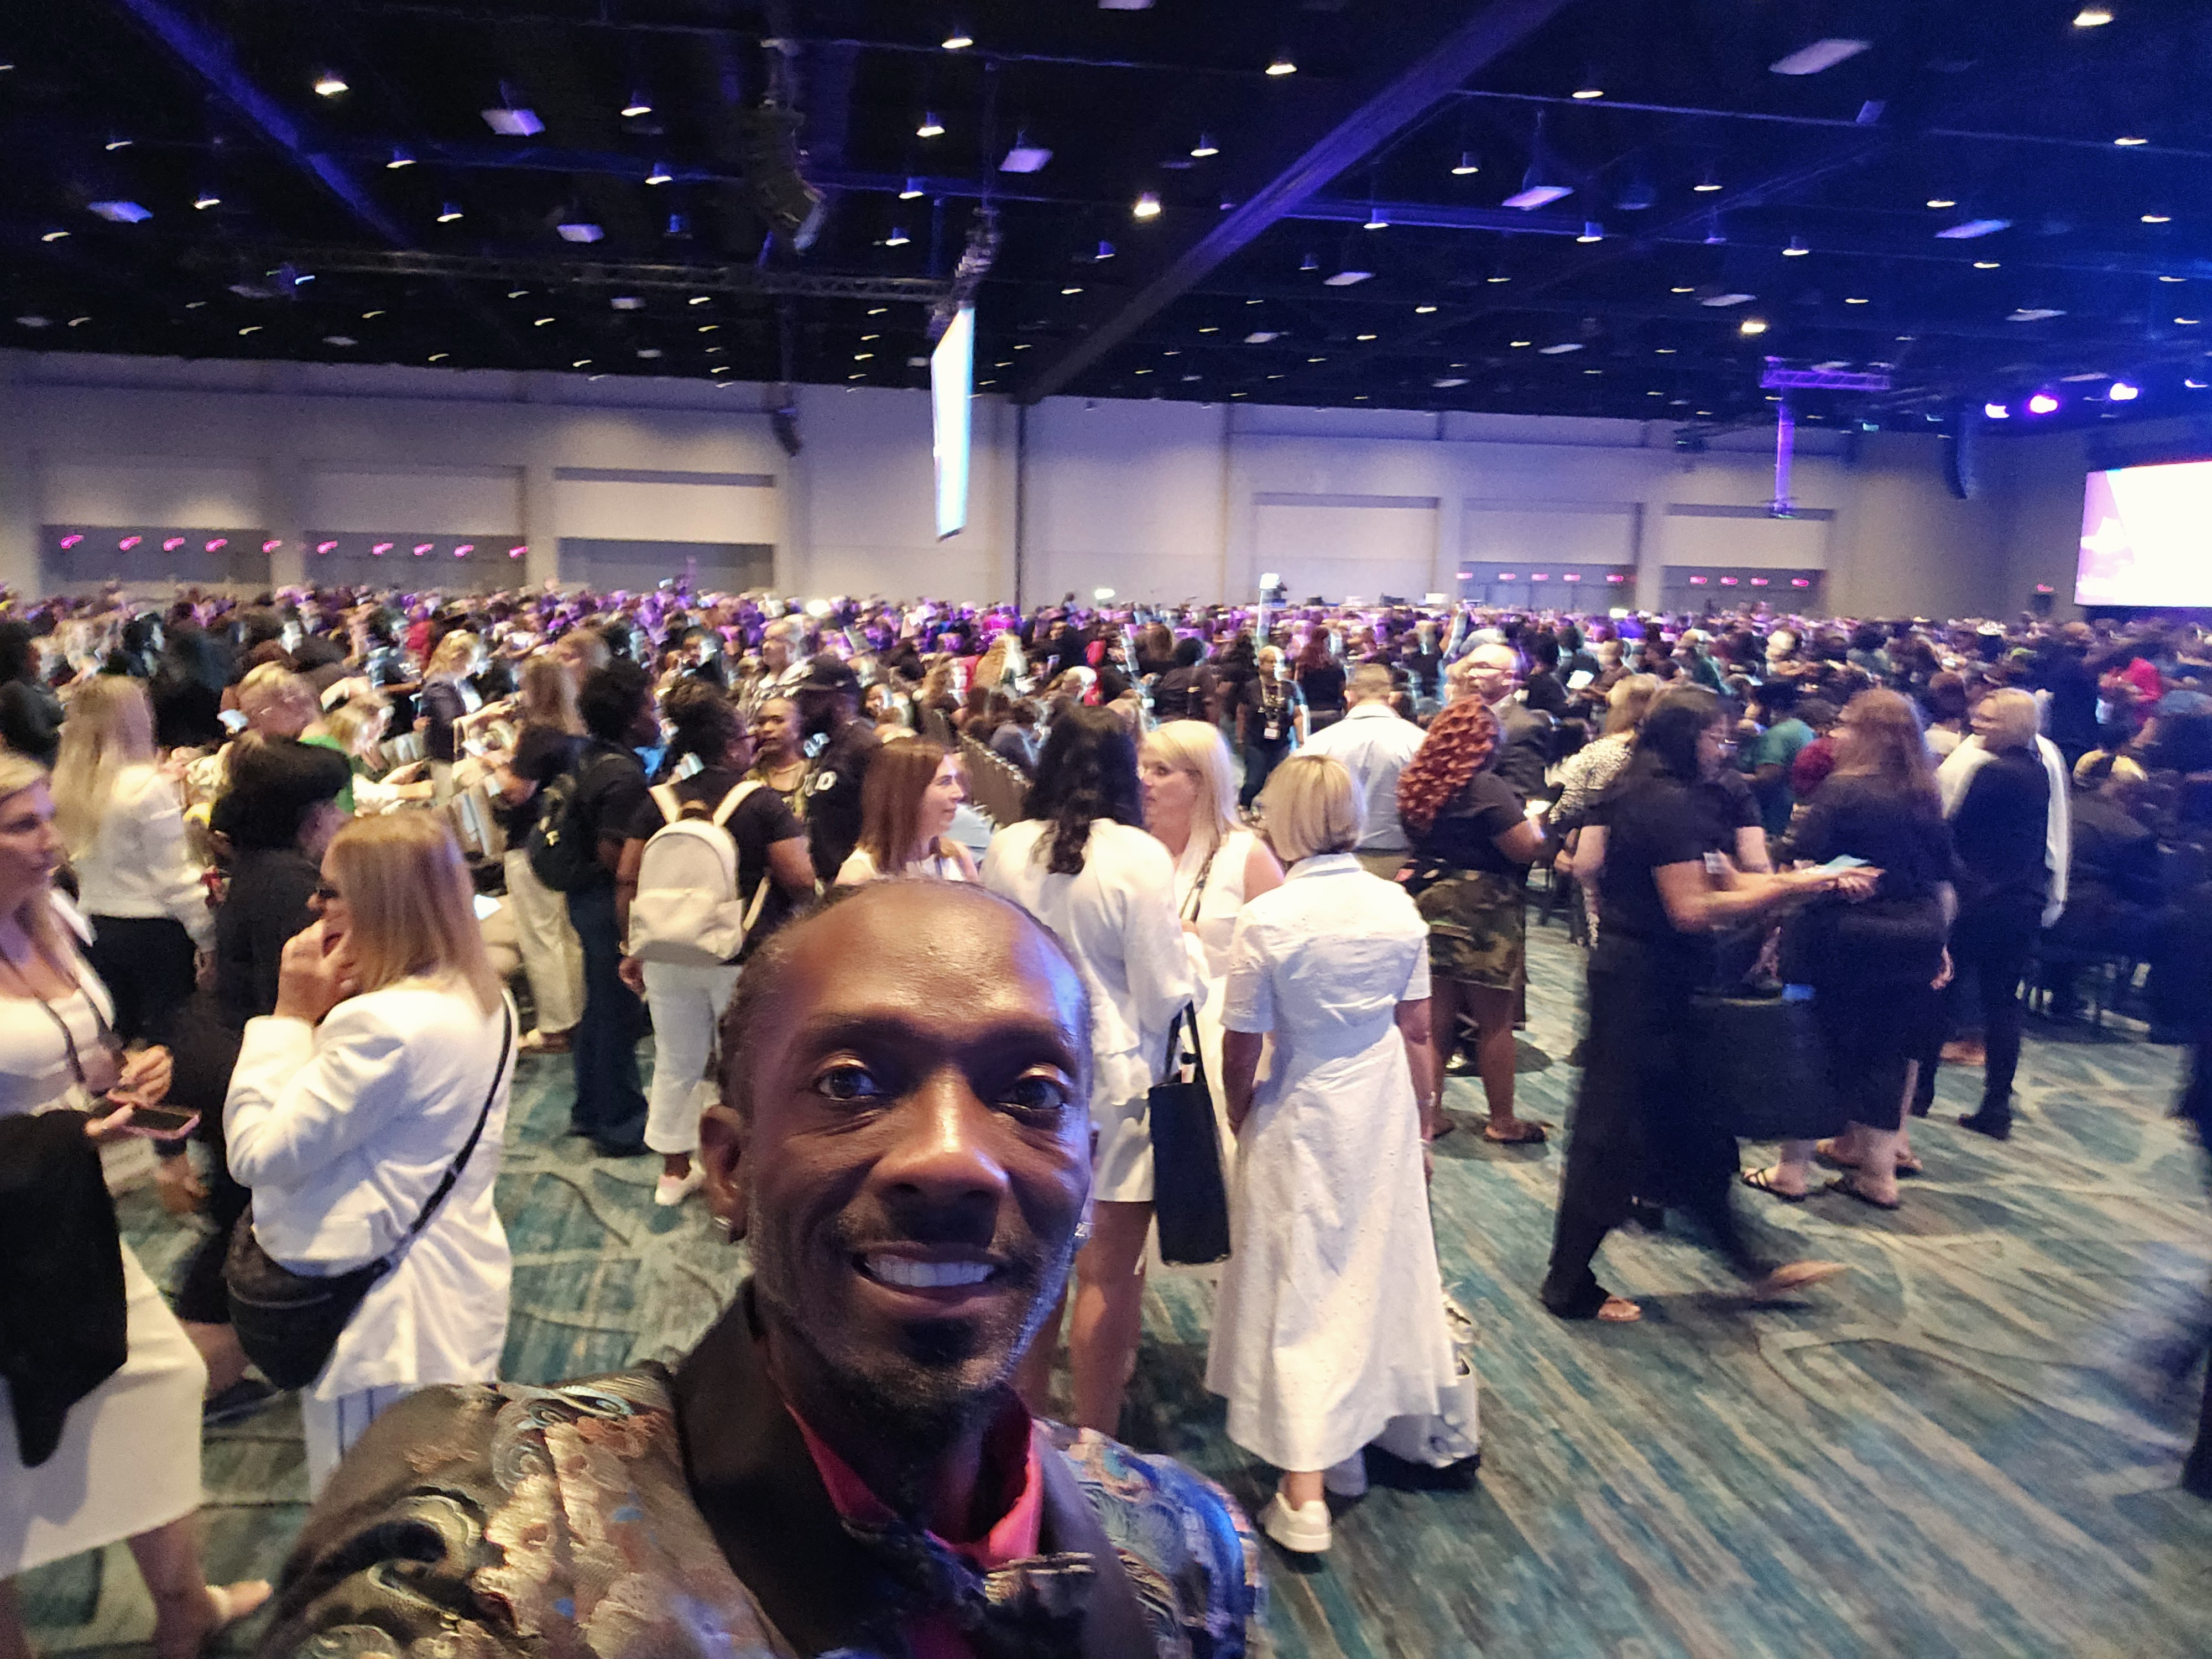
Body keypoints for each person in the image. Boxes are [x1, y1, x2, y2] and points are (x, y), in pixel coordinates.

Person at [248, 880, 1260, 1657]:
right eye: (852, 1082)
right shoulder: (482, 1543)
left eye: (1031, 1093)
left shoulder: (1186, 1543)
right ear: (727, 1164)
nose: (953, 1154)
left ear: (1086, 1173)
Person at [0, 753, 271, 1659]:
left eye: (47, 818)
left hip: (65, 1220)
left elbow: (77, 1052)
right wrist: (73, 1139)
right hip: (18, 1224)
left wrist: (127, 1073)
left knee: (161, 1380)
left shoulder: (52, 917)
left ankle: (181, 1607)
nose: (52, 843)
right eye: (22, 826)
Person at [223, 813, 516, 1494]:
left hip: (381, 1317)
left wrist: (291, 1015)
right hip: (450, 1278)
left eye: (330, 893)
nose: (314, 906)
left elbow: (257, 1152)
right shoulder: (478, 992)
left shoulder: (382, 1025)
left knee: (366, 1508)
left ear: (382, 905)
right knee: (439, 1490)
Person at [1207, 754, 1456, 1554]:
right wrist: (1423, 1127)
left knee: (1301, 1281)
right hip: (1379, 1099)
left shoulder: (1271, 919)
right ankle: (1343, 1447)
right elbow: (1419, 1031)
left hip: (1303, 1097)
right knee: (1364, 1271)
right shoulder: (1395, 906)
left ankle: (1304, 1485)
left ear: (1286, 818)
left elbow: (1242, 1044)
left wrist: (1242, 1116)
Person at [1543, 686, 1855, 1322]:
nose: (1725, 750)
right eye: (1717, 737)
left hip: (1658, 979)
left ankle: (1750, 1264)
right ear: (1686, 735)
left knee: (1691, 1128)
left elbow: (1728, 881)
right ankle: (1566, 1284)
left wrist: (1803, 885)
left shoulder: (1668, 793)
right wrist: (1795, 884)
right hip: (1641, 981)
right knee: (1613, 1134)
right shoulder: (1661, 801)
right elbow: (1692, 909)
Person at [982, 707, 1196, 1435]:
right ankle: (1096, 1448)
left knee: (1032, 1268)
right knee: (1110, 1275)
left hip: (1019, 1076)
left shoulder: (1007, 847)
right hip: (1114, 1082)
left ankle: (1026, 1434)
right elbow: (1167, 992)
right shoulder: (1139, 855)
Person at [1743, 691, 1957, 1209]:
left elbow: (1803, 866)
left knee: (1812, 1046)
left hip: (1839, 938)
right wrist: (1941, 942)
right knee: (1887, 1054)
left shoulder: (1842, 791)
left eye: (1845, 724)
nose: (1835, 733)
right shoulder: (1925, 793)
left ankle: (1792, 1170)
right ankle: (1878, 1176)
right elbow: (1945, 880)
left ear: (1872, 734)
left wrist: (1824, 884)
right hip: (1914, 938)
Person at [616, 682, 812, 1207]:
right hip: (741, 953)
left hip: (665, 953)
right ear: (731, 746)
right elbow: (798, 878)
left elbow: (627, 878)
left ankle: (674, 1173)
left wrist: (629, 946)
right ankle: (738, 1171)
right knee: (742, 1063)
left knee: (675, 1060)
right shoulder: (762, 802)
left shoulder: (658, 801)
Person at [1397, 698, 1549, 1144]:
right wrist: (1537, 822)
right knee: (1493, 1021)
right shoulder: (1485, 787)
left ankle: (1431, 1114)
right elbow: (1525, 848)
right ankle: (1502, 1120)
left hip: (1427, 901)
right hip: (1483, 908)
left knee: (1435, 1018)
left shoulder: (1418, 785)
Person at [1921, 688, 2057, 1138]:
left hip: (1981, 903)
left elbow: (1953, 834)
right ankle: (1997, 1106)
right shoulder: (2039, 770)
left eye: (1990, 720)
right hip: (2022, 903)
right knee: (2003, 1005)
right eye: (1977, 716)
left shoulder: (1994, 772)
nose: (1977, 724)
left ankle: (1919, 1095)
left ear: (2015, 726)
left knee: (1940, 993)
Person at [51, 676, 213, 1045]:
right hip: (154, 935)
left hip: (96, 928)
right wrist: (208, 937)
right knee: (168, 1048)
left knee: (118, 1041)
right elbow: (173, 879)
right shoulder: (146, 786)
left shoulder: (69, 785)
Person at [1139, 720, 1283, 1124]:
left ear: (1201, 782)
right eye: (1143, 768)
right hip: (1146, 1037)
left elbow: (1284, 956)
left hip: (1225, 1042)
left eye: (1161, 771)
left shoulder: (1246, 855)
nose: (1144, 781)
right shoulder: (1129, 849)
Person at [564, 659, 658, 1155]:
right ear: (629, 717)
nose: (656, 715)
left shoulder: (592, 753)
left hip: (586, 896)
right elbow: (614, 854)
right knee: (616, 1013)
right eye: (650, 706)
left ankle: (588, 1108)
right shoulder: (623, 775)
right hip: (605, 899)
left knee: (599, 1006)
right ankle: (620, 1122)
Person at [490, 655, 586, 1053]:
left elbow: (517, 791)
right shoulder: (578, 733)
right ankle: (577, 1016)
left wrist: (494, 766)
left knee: (541, 936)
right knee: (567, 935)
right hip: (568, 843)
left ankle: (554, 1027)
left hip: (531, 843)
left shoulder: (536, 735)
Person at [1300, 662, 1426, 879]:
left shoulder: (1317, 744)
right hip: (1402, 864)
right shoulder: (1421, 743)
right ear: (1392, 696)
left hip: (1333, 862)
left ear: (1349, 696)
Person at [833, 740, 978, 884]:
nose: (959, 793)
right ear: (906, 795)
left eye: (956, 781)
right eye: (944, 782)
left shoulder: (958, 856)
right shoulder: (859, 877)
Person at [791, 654, 878, 883]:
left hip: (856, 884)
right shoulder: (832, 744)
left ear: (840, 701)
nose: (801, 707)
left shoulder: (865, 747)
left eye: (811, 698)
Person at [1451, 644, 1551, 802]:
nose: (1470, 674)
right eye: (1470, 667)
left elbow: (1520, 798)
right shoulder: (1458, 716)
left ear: (1508, 677)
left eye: (1483, 667)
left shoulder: (1523, 728)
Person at [1235, 645, 1305, 810]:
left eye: (1278, 662)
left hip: (1283, 742)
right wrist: (1239, 738)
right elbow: (1242, 713)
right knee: (1255, 780)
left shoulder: (1290, 688)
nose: (1274, 666)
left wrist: (1302, 740)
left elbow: (1298, 714)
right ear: (1261, 663)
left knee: (1281, 780)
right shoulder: (1251, 687)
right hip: (1256, 741)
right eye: (1270, 662)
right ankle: (1243, 804)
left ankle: (1274, 811)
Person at [0, 622, 63, 769]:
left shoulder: (34, 684)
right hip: (47, 768)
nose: (38, 653)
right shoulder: (14, 691)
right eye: (30, 647)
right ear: (17, 655)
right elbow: (41, 740)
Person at [745, 693, 810, 819]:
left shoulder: (815, 772)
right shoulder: (750, 778)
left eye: (778, 721)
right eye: (761, 723)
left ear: (798, 727)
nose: (767, 729)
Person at [1294, 629, 1347, 733]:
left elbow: (1296, 687)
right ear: (1328, 642)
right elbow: (1343, 691)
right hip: (1332, 712)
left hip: (1308, 712)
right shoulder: (1335, 665)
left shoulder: (1301, 663)